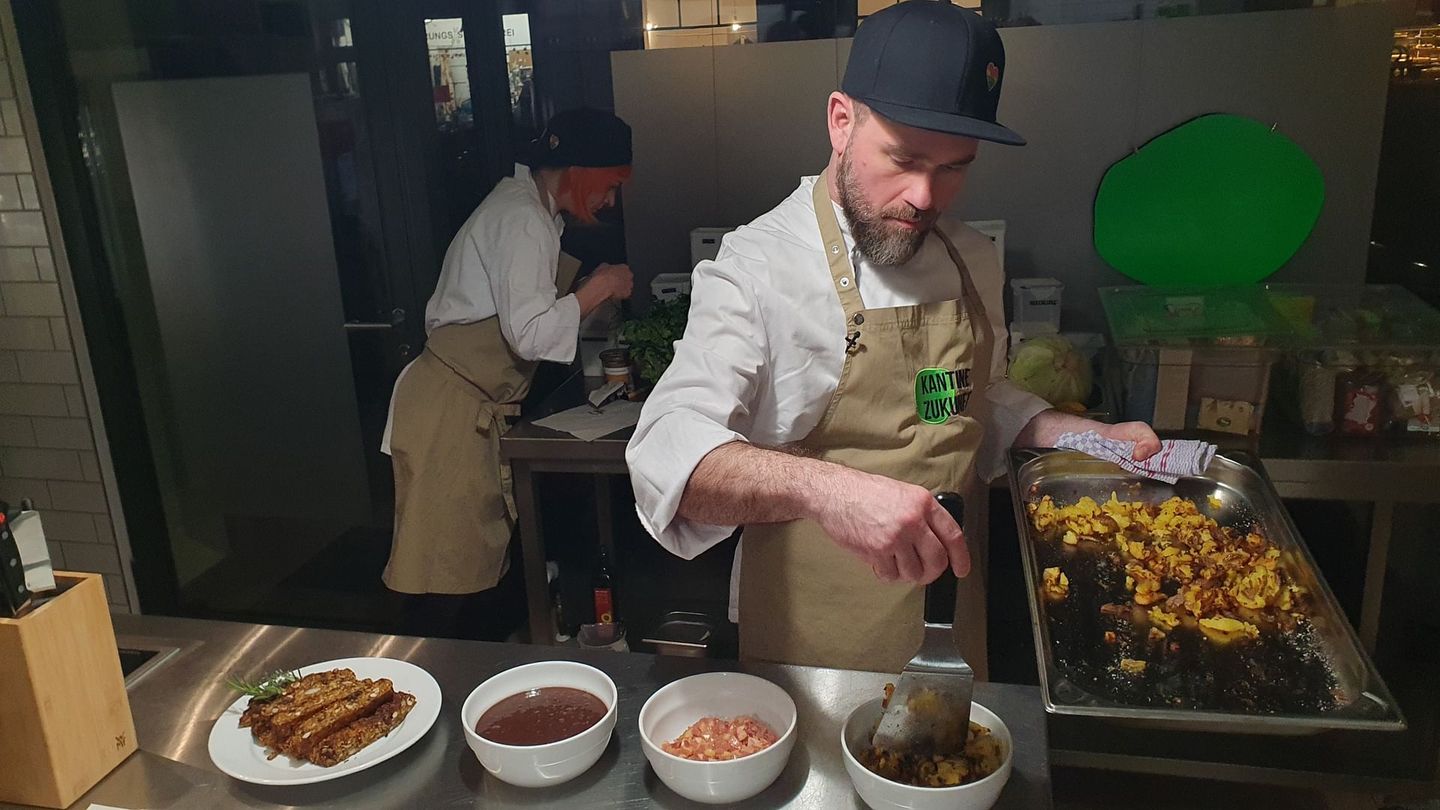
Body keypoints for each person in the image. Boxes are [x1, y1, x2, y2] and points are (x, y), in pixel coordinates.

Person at [626, 2, 1160, 672]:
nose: (924, 196)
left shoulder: (970, 256)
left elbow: (967, 401)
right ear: (841, 121)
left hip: (954, 621)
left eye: (954, 167)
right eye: (903, 158)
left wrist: (1080, 437)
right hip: (817, 649)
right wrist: (831, 490)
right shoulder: (758, 268)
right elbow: (668, 456)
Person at [382, 108, 635, 639]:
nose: (610, 201)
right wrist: (602, 286)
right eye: (609, 185)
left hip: (465, 405)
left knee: (466, 572)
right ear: (579, 170)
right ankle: (411, 697)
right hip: (452, 412)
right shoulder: (522, 219)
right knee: (445, 579)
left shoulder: (532, 213)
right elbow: (533, 334)